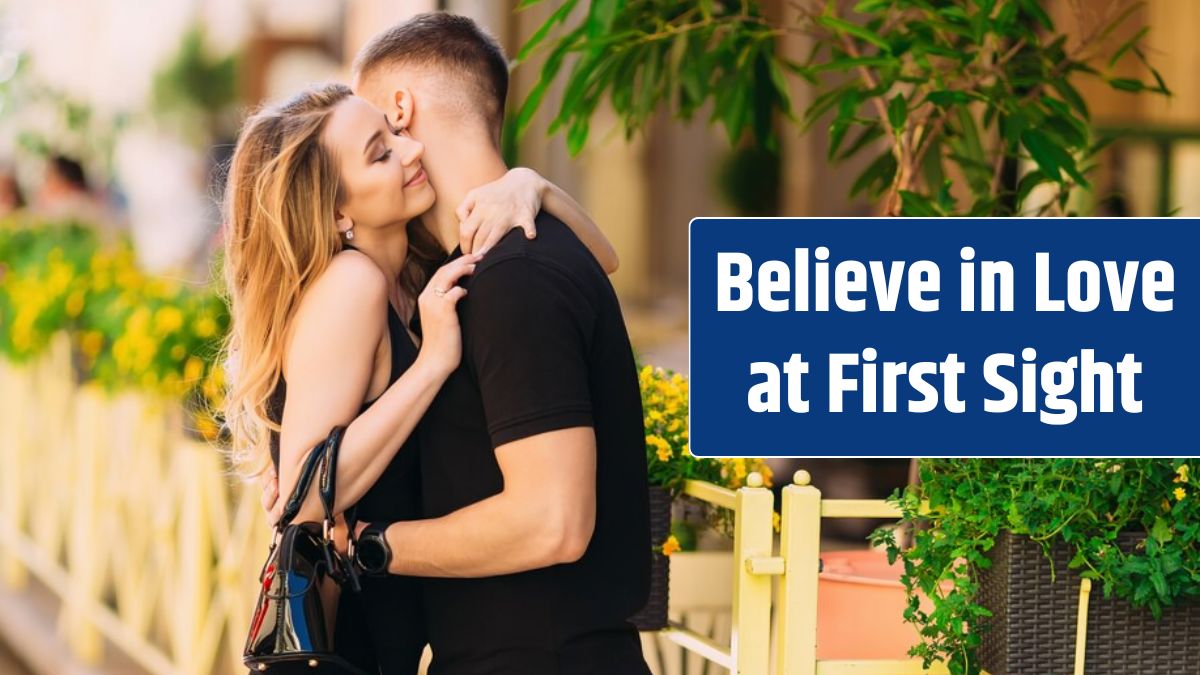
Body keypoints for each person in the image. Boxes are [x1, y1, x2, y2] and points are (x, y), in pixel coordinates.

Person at [223, 83, 620, 673]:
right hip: (352, 649)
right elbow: (302, 500)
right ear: (338, 212)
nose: (411, 152)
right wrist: (432, 364)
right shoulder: (351, 285)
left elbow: (605, 258)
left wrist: (531, 185)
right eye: (381, 154)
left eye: (396, 133)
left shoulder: (406, 272)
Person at [346, 14, 652, 675]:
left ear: (399, 109)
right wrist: (530, 182)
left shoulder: (516, 274)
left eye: (365, 126)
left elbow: (552, 520)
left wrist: (373, 545)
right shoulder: (484, 264)